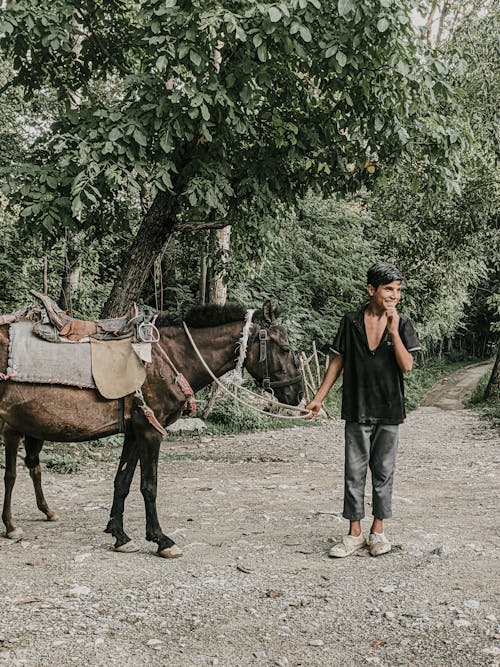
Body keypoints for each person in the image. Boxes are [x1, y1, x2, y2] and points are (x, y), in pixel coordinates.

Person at [306, 262, 421, 557]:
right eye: (388, 289)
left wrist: (394, 332)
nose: (394, 295)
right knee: (354, 472)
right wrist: (319, 398)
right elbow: (337, 362)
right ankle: (354, 533)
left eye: (398, 290)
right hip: (357, 408)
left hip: (389, 409)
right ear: (372, 290)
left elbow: (407, 366)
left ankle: (377, 532)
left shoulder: (403, 323)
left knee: (383, 471)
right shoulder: (351, 321)